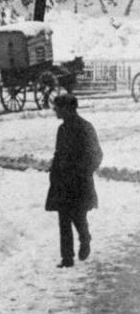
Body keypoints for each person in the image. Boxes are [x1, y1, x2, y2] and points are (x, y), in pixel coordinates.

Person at [46, 93, 103, 268]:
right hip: (63, 181)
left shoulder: (85, 127)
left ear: (68, 109)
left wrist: (84, 172)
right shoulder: (62, 130)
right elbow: (58, 154)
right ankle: (67, 258)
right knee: (63, 219)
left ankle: (84, 238)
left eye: (58, 108)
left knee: (78, 216)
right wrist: (54, 173)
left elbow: (97, 155)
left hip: (79, 182)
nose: (55, 111)